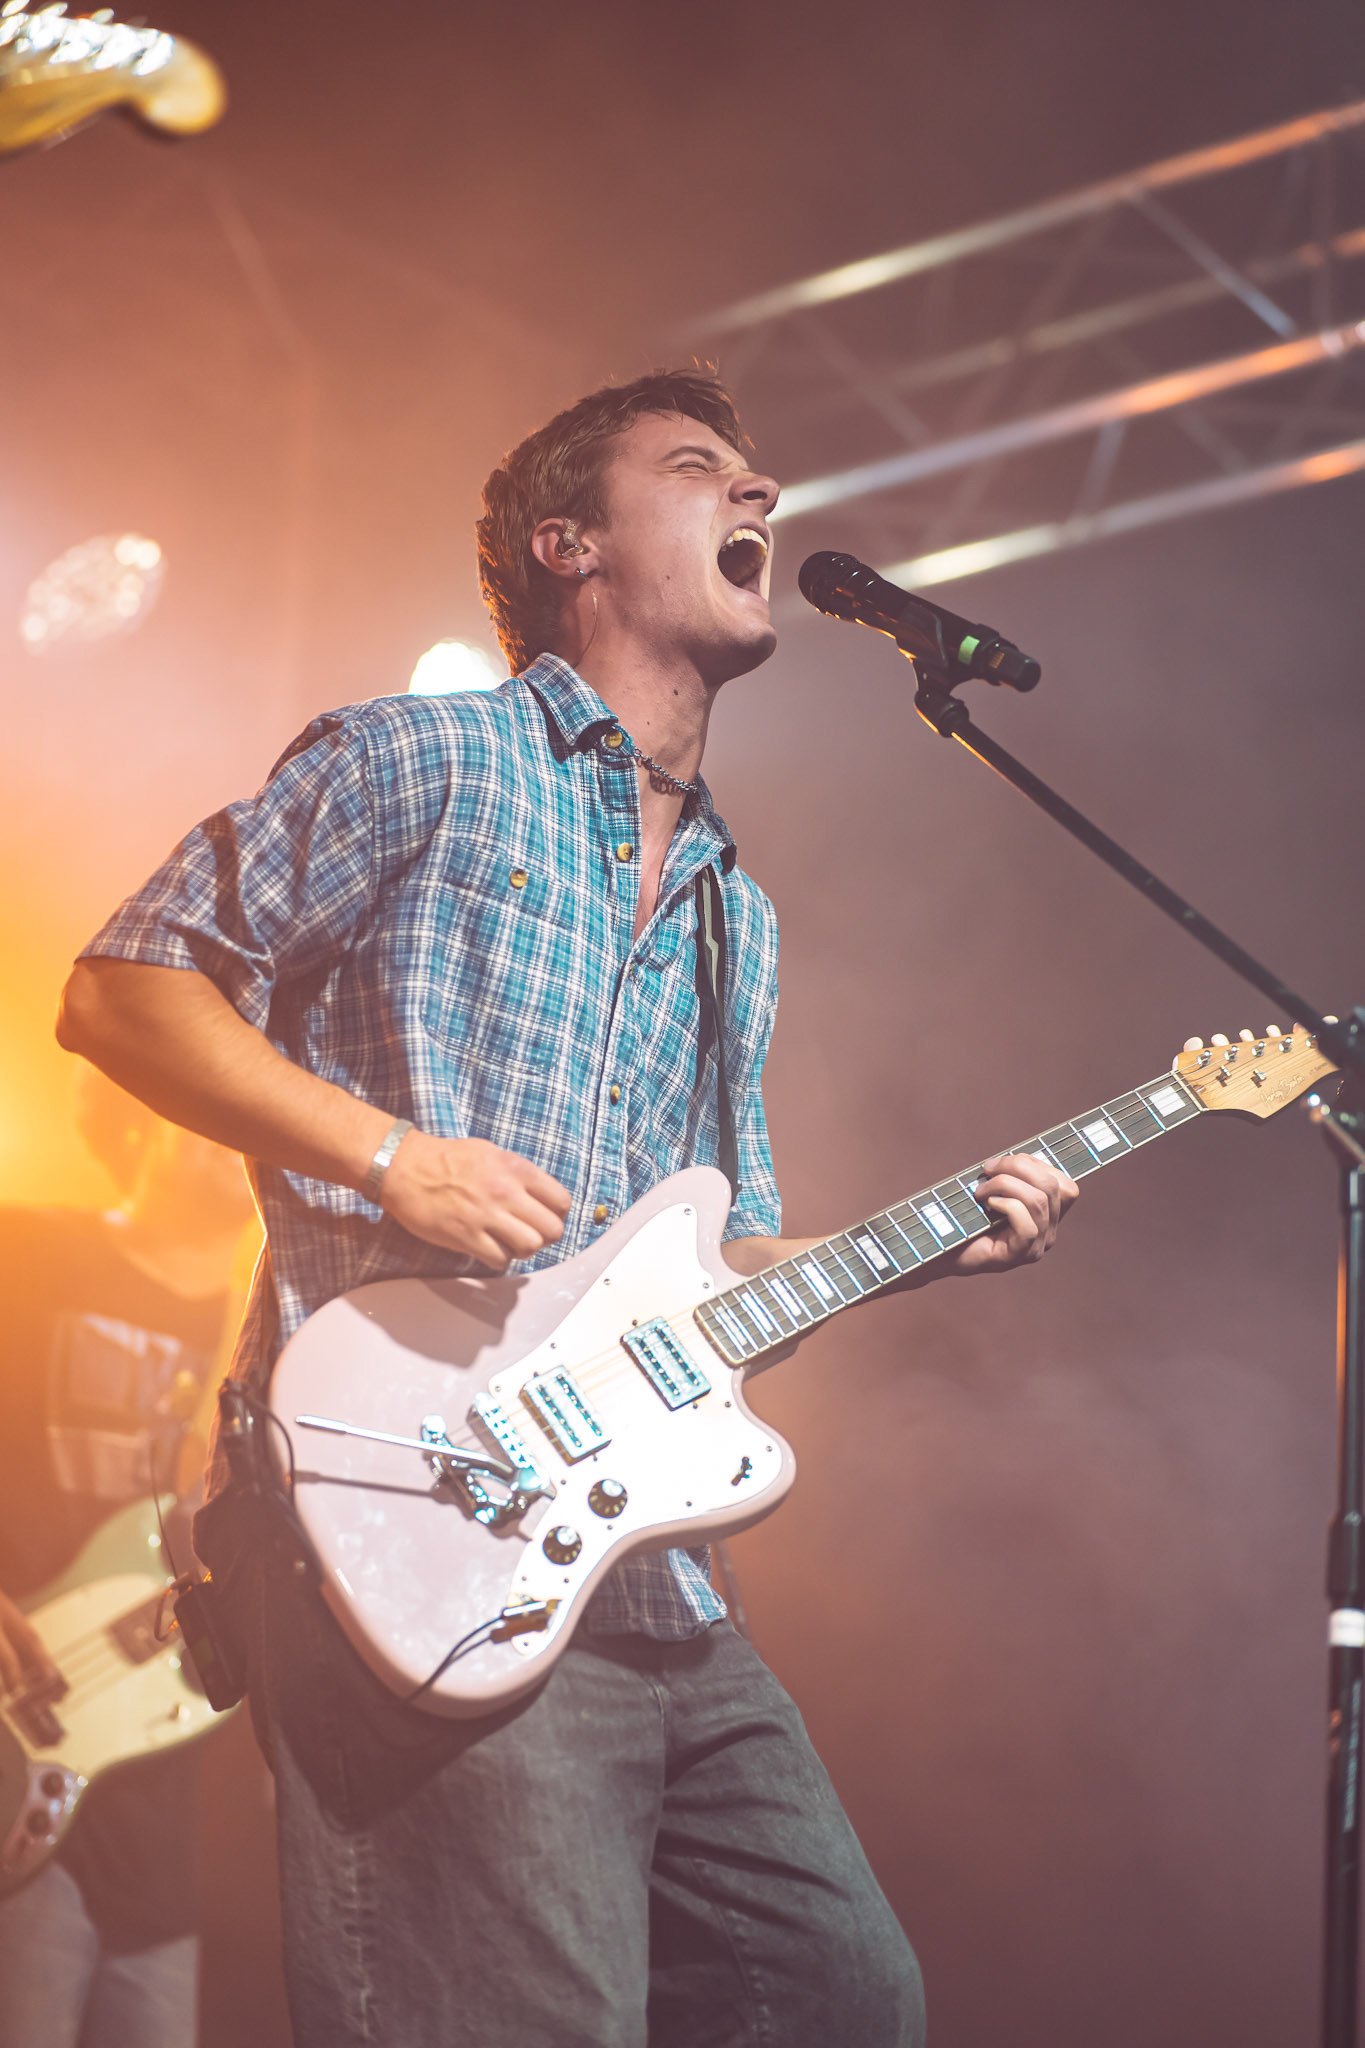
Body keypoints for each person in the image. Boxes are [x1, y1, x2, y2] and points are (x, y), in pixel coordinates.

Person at [56, 368, 1078, 2048]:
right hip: (415, 1530)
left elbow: (714, 1271)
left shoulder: (738, 910)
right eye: (698, 468)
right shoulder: (423, 757)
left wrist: (909, 1252)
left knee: (841, 1995)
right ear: (568, 546)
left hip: (651, 1578)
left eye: (756, 471)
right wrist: (392, 1156)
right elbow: (122, 990)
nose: (761, 492)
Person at [0, 1065, 257, 2048]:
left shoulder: (267, 1344)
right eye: (206, 1094)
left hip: (169, 1808)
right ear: (135, 1109)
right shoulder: (26, 1245)